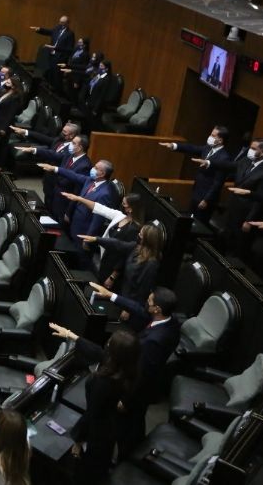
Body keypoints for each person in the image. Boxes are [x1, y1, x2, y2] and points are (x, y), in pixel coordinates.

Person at [55, 285, 181, 452]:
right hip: (142, 381)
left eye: (149, 301)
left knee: (128, 427)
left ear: (157, 309)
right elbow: (138, 309)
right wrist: (111, 296)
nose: (145, 302)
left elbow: (143, 373)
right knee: (131, 427)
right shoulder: (171, 321)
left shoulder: (153, 342)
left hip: (136, 391)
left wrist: (126, 400)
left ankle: (127, 458)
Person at [67, 330, 140, 479]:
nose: (107, 343)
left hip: (96, 433)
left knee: (86, 472)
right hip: (112, 427)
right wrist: (75, 337)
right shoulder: (130, 371)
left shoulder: (102, 382)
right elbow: (100, 353)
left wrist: (78, 441)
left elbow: (91, 415)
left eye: (110, 343)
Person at [193, 138, 263, 257]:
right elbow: (230, 165)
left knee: (237, 249)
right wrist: (209, 163)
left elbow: (261, 199)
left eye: (253, 149)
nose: (250, 151)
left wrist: (249, 220)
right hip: (232, 208)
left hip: (245, 215)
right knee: (224, 242)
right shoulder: (246, 161)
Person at [63, 191, 144, 286]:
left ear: (130, 209)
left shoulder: (135, 229)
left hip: (113, 267)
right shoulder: (120, 216)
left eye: (124, 204)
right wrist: (79, 198)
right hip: (105, 259)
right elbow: (100, 208)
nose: (121, 205)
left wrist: (113, 277)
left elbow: (124, 256)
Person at [159, 126, 232, 224]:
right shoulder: (208, 148)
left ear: (220, 140)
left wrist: (206, 200)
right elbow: (192, 148)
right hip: (196, 192)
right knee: (189, 220)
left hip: (206, 198)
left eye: (213, 135)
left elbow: (218, 183)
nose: (210, 137)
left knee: (199, 224)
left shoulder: (224, 158)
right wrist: (174, 145)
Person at [0, 75, 24, 176]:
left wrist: (3, 128)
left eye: (8, 82)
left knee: (3, 146)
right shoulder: (5, 92)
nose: (6, 83)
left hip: (5, 125)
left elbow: (10, 114)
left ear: (14, 86)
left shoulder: (15, 98)